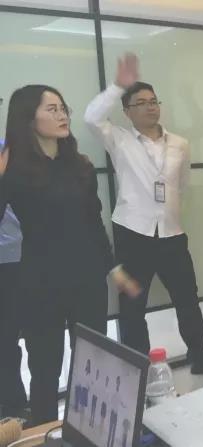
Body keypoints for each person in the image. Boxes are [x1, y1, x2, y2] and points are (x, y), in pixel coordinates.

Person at [84, 53, 203, 376]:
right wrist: (117, 85)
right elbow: (91, 118)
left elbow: (182, 185)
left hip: (171, 233)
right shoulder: (119, 139)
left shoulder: (179, 143)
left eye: (154, 101)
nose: (150, 107)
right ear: (127, 111)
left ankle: (201, 358)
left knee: (187, 298)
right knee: (133, 306)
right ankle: (138, 369)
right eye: (141, 103)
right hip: (132, 232)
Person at [0, 85, 138, 424]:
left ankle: (91, 428)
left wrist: (113, 268)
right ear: (28, 118)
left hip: (87, 278)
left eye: (63, 108)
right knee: (45, 365)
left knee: (93, 360)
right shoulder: (13, 170)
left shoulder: (80, 165)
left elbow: (93, 222)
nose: (62, 115)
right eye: (52, 109)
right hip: (39, 281)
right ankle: (44, 429)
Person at [0, 199, 27, 419]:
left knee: (9, 339)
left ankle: (15, 407)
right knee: (6, 341)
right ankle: (13, 406)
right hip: (11, 258)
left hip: (21, 258)